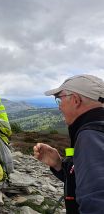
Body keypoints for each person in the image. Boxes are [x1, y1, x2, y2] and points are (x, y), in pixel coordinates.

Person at [33, 74, 104, 214]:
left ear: (76, 100)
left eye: (59, 100)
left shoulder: (90, 136)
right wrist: (58, 164)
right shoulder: (94, 131)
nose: (59, 107)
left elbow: (96, 203)